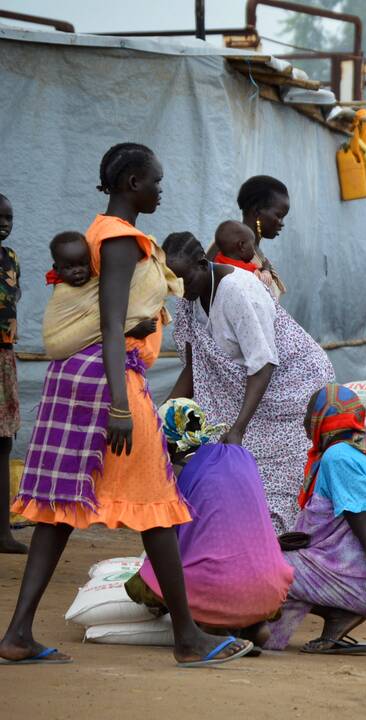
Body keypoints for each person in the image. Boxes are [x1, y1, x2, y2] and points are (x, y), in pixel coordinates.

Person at [1, 142, 253, 666]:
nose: (161, 189)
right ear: (132, 182)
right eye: (156, 181)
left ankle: (18, 634)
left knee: (59, 507)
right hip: (109, 383)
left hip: (80, 379)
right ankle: (188, 639)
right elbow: (111, 324)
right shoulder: (119, 240)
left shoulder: (103, 233)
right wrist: (120, 404)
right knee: (157, 502)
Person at [165, 233, 334, 534]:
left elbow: (264, 363)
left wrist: (238, 428)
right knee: (226, 466)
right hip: (252, 390)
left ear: (203, 264)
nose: (179, 289)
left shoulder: (238, 291)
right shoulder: (190, 296)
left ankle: (273, 541)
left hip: (292, 388)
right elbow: (194, 368)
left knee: (274, 475)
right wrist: (161, 417)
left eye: (183, 279)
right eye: (172, 284)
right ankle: (235, 536)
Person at [264, 384, 366, 663]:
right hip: (357, 577)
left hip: (358, 582)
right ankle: (339, 616)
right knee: (273, 556)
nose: (304, 424)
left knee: (257, 568)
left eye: (309, 416)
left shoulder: (339, 459)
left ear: (321, 420)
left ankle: (244, 627)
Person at [126, 398, 294, 645]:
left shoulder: (173, 473)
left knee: (144, 581)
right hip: (270, 591)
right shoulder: (242, 456)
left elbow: (167, 544)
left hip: (216, 589)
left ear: (165, 439)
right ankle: (253, 626)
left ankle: (212, 627)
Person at [207, 175, 289, 298]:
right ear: (257, 211)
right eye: (278, 215)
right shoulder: (229, 248)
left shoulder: (253, 252)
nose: (282, 223)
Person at [0, 192, 22, 554]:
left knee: (3, 443)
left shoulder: (10, 258)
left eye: (9, 217)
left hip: (4, 356)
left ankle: (2, 532)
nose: (4, 222)